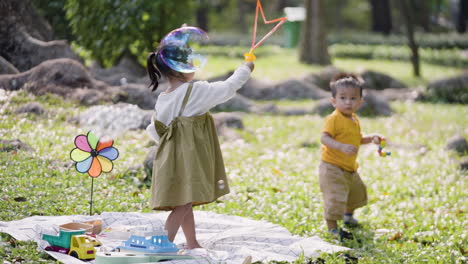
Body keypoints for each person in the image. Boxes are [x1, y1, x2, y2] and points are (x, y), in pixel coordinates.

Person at [145, 28, 254, 249]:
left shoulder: (163, 99)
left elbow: (155, 130)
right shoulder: (195, 93)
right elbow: (228, 87)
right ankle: (163, 243)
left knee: (185, 199)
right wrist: (246, 68)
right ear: (182, 69)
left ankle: (192, 242)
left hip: (169, 158)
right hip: (190, 158)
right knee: (184, 202)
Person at [319, 73, 384, 240]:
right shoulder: (333, 119)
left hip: (349, 168)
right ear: (334, 101)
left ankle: (348, 216)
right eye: (343, 98)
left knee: (356, 192)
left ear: (360, 102)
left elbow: (356, 140)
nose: (348, 102)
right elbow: (324, 138)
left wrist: (371, 139)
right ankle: (332, 228)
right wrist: (340, 146)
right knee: (335, 197)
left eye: (353, 98)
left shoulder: (354, 119)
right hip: (332, 166)